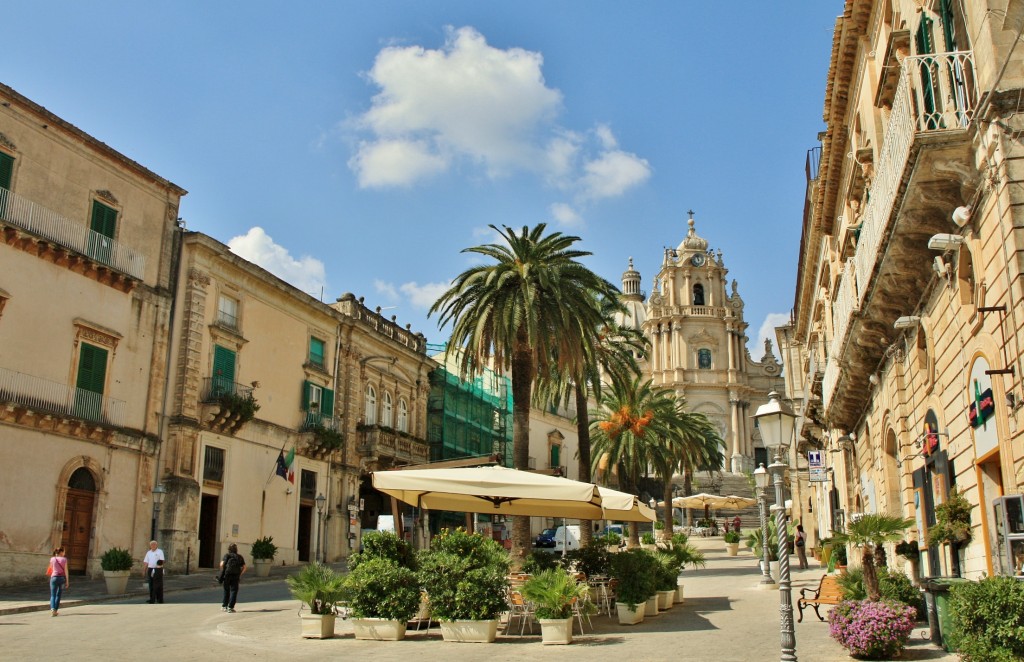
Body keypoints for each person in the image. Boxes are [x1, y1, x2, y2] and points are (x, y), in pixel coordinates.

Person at [219, 543, 247, 613]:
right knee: (234, 591)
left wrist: (224, 570)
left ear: (229, 549)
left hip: (227, 575)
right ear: (236, 549)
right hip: (236, 575)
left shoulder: (227, 555)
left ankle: (224, 606)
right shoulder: (239, 557)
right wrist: (240, 574)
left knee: (226, 590)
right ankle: (230, 607)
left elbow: (221, 564)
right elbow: (244, 567)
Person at [47, 547, 69, 616]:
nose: (64, 553)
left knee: (53, 595)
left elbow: (51, 568)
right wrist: (67, 581)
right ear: (61, 552)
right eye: (64, 552)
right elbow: (66, 571)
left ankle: (52, 608)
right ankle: (56, 610)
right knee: (58, 595)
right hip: (61, 578)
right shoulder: (64, 559)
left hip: (53, 577)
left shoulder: (52, 559)